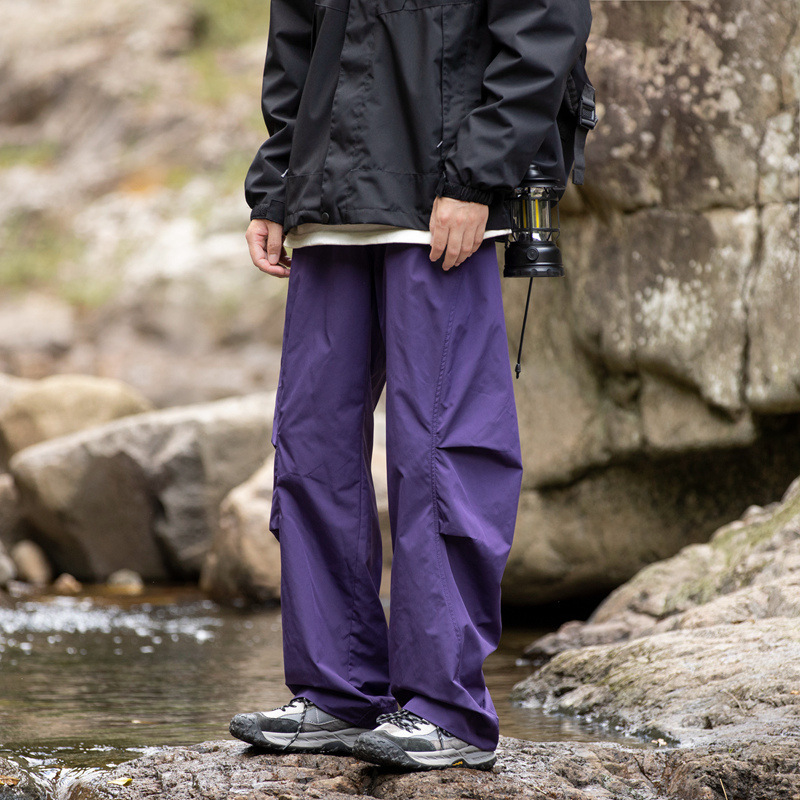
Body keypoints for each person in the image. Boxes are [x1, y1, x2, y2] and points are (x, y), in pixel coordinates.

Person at [229, 0, 592, 772]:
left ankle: (445, 707)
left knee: (441, 450)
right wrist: (275, 184)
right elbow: (295, 42)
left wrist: (479, 174)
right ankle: (336, 691)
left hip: (441, 201)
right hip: (325, 202)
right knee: (311, 447)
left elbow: (544, 26)